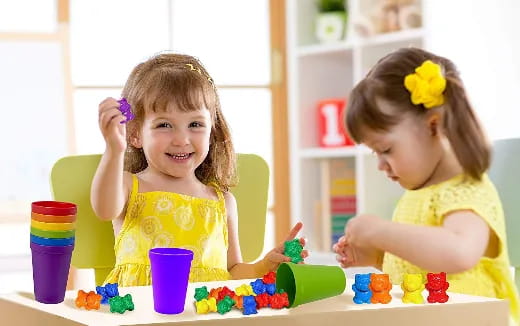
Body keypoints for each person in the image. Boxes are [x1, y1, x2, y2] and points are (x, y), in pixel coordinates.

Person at [332, 47, 519, 323]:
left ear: (433, 126)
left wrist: (381, 232)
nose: (381, 165)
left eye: (386, 149)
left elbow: (459, 254)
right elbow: (422, 269)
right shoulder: (416, 195)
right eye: (375, 153)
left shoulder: (466, 191)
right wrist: (378, 257)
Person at [91, 53, 307, 286]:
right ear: (135, 133)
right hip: (141, 315)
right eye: (164, 125)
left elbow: (232, 271)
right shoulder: (128, 186)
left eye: (195, 124)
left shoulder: (222, 201)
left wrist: (265, 266)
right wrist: (114, 149)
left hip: (204, 316)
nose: (182, 139)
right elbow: (104, 209)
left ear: (212, 130)